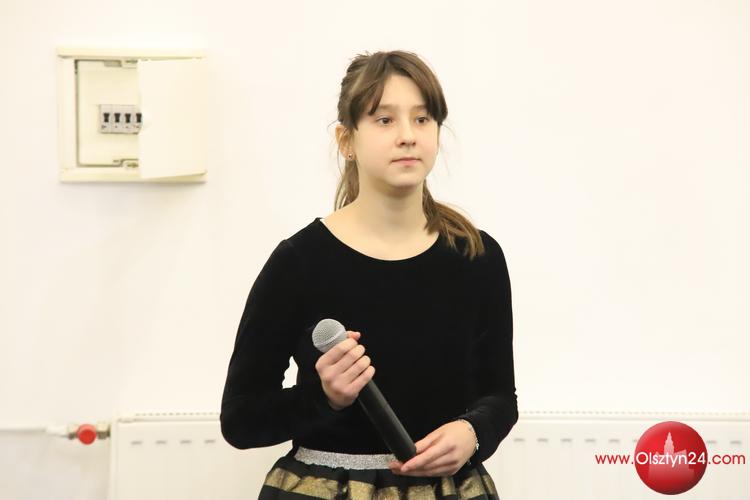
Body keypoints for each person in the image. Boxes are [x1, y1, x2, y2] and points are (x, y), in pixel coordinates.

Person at [220, 49, 518, 499]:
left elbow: (500, 398)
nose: (407, 136)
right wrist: (324, 398)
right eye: (384, 120)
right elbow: (241, 419)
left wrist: (473, 433)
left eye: (422, 119)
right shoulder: (298, 262)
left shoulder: (477, 256)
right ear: (347, 140)